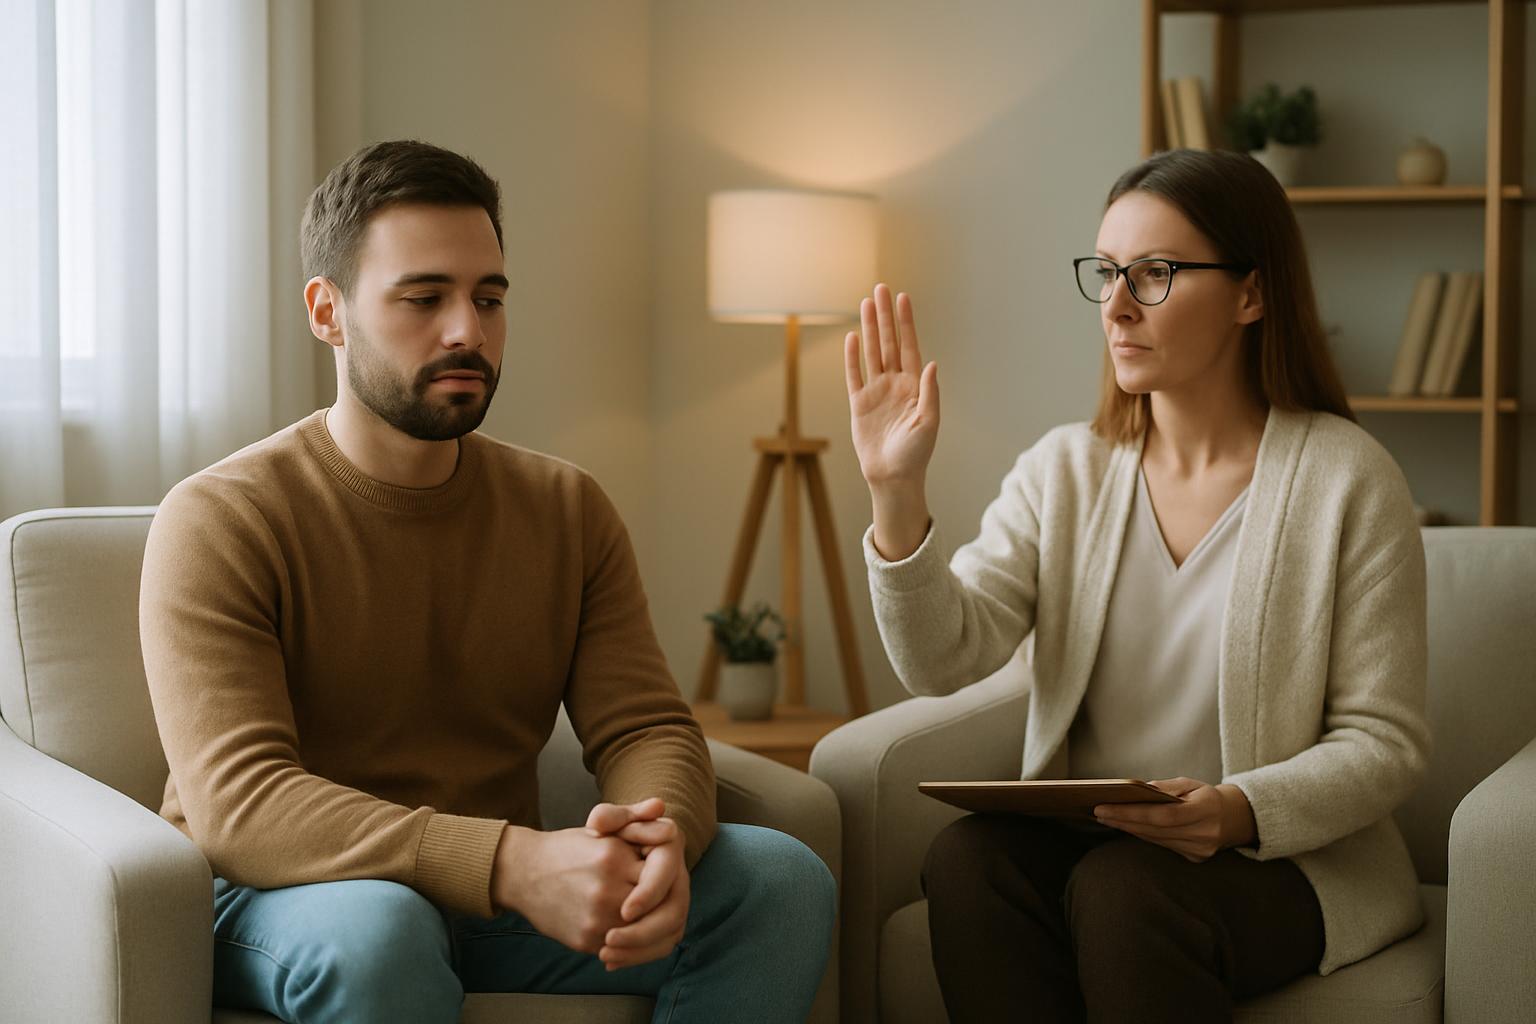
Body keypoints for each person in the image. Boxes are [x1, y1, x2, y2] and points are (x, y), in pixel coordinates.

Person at [140, 139, 835, 1024]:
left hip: (496, 899)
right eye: (424, 298)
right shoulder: (220, 517)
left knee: (778, 879)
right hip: (285, 896)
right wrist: (510, 861)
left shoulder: (565, 508)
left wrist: (657, 834)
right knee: (382, 928)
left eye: (489, 298)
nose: (467, 329)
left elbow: (647, 724)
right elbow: (242, 802)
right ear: (328, 312)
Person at [844, 148, 1429, 1022]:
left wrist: (1236, 811)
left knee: (1128, 891)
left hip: (1281, 862)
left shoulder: (1351, 480)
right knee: (968, 860)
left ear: (1251, 294)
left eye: (1154, 274)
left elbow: (1385, 743)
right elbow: (942, 659)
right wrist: (896, 494)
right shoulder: (1064, 470)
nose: (1116, 307)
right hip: (1103, 846)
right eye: (1107, 272)